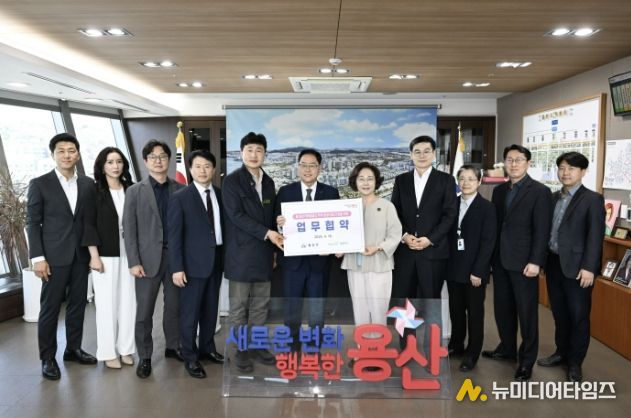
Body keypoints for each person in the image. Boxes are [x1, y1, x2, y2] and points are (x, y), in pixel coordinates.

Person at [26, 133, 97, 380]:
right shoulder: (40, 184)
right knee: (50, 308)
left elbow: (89, 221)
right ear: (53, 154)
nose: (67, 155)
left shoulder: (88, 184)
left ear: (78, 154)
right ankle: (47, 358)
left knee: (78, 305)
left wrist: (92, 254)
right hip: (53, 258)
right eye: (61, 151)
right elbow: (33, 223)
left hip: (80, 256)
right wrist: (38, 258)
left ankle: (73, 349)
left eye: (71, 150)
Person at [482, 144, 551, 382]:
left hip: (524, 263)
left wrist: (536, 261)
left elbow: (542, 230)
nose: (513, 164)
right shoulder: (499, 191)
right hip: (501, 260)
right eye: (509, 160)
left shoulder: (540, 191)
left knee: (527, 313)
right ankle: (507, 348)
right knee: (503, 309)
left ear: (528, 163)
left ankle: (526, 361)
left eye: (519, 160)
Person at [537, 152, 605, 382]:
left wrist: (589, 268)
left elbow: (595, 237)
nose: (565, 173)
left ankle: (575, 363)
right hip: (554, 263)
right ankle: (561, 353)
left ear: (583, 172)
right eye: (562, 168)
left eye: (571, 169)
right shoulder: (553, 197)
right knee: (559, 313)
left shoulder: (593, 200)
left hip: (578, 268)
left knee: (578, 316)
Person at [222, 132, 284, 372]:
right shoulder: (232, 181)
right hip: (240, 256)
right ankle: (238, 351)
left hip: (264, 254)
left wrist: (278, 224)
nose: (254, 155)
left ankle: (257, 345)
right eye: (249, 150)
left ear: (265, 154)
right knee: (238, 309)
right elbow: (236, 216)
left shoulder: (268, 182)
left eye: (259, 150)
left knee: (260, 306)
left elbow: (270, 215)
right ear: (241, 153)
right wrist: (268, 233)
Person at [123, 139, 185, 379]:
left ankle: (173, 346)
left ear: (169, 160)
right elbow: (129, 230)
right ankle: (145, 356)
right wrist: (133, 261)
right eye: (153, 157)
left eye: (162, 156)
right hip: (146, 260)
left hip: (175, 258)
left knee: (174, 307)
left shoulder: (180, 189)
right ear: (145, 161)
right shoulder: (134, 191)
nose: (158, 161)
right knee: (145, 311)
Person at [390, 135, 458, 347]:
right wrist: (404, 236)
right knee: (405, 303)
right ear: (410, 155)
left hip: (433, 253)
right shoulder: (401, 180)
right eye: (417, 152)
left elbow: (450, 215)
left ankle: (432, 348)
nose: (422, 155)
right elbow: (395, 212)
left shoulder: (446, 180)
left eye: (426, 151)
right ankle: (406, 346)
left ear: (434, 154)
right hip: (406, 253)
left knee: (431, 302)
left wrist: (430, 239)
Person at [275, 149, 340, 350]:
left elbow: (337, 226)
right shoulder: (285, 192)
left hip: (319, 262)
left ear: (320, 168)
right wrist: (279, 224)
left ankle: (314, 346)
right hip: (292, 262)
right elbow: (275, 224)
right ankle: (292, 346)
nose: (307, 169)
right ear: (298, 167)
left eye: (312, 165)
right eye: (303, 165)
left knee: (316, 309)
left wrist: (333, 245)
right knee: (291, 307)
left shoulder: (331, 193)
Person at [168, 150, 225, 379]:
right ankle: (190, 357)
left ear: (214, 169)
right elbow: (174, 237)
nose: (203, 171)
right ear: (190, 170)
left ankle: (207, 349)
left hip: (216, 261)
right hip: (191, 266)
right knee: (190, 314)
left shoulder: (220, 194)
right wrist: (177, 267)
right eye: (198, 166)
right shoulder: (180, 197)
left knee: (211, 310)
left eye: (207, 166)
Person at [83, 147, 136, 369]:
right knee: (106, 305)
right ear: (102, 166)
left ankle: (126, 349)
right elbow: (88, 225)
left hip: (130, 255)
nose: (115, 166)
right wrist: (94, 256)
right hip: (105, 255)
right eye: (110, 162)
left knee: (129, 303)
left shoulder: (131, 189)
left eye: (119, 161)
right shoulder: (94, 191)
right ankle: (107, 352)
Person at [340, 163, 402, 335]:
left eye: (370, 179)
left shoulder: (387, 206)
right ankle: (362, 348)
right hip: (355, 265)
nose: (365, 183)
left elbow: (395, 235)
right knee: (359, 308)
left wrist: (378, 247)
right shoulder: (348, 207)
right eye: (361, 179)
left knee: (378, 309)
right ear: (355, 182)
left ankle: (377, 347)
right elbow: (342, 234)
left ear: (376, 182)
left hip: (379, 266)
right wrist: (339, 247)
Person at [445, 165, 497, 372]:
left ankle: (472, 353)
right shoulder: (452, 204)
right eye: (462, 179)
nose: (466, 183)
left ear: (479, 181)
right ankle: (456, 345)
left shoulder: (487, 208)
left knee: (474, 313)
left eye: (471, 179)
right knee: (456, 311)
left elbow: (488, 242)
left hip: (475, 271)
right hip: (453, 268)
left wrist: (479, 271)